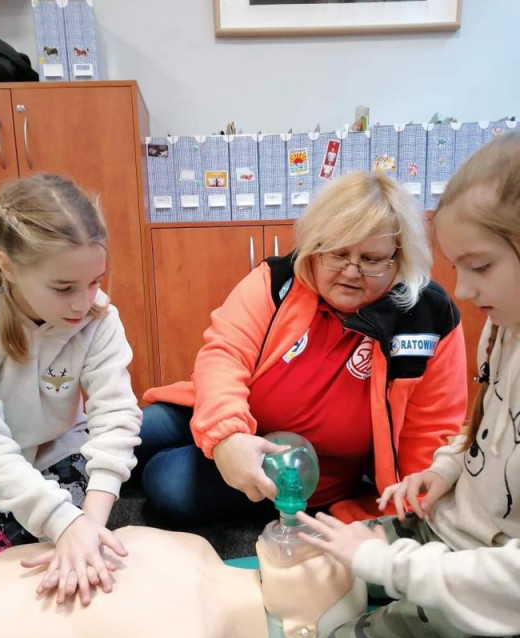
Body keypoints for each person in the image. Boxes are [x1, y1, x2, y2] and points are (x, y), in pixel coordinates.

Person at [296, 131, 520, 638]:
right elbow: (479, 423)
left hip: (505, 590)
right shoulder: (505, 323)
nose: (466, 291)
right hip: (457, 534)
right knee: (316, 568)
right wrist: (444, 471)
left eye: (480, 267)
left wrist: (391, 568)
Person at [138, 171, 467, 527]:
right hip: (225, 411)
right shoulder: (277, 280)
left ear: (398, 260)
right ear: (314, 247)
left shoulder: (428, 319)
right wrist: (228, 438)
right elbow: (224, 354)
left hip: (301, 465)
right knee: (135, 433)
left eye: (372, 259)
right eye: (338, 253)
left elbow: (431, 434)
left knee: (165, 482)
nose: (352, 272)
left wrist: (403, 515)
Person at [0, 174, 142, 606]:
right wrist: (60, 521)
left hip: (57, 445)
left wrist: (85, 523)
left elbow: (116, 418)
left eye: (95, 281)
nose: (83, 302)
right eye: (64, 287)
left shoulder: (99, 315)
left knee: (84, 576)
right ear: (8, 266)